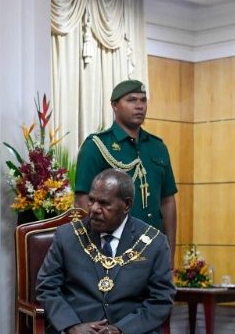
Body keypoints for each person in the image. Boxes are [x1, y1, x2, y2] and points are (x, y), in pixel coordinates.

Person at [37, 169, 175, 334]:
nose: (93, 209)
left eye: (104, 203)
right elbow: (47, 288)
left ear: (126, 205)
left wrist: (123, 331)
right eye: (92, 200)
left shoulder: (154, 242)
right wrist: (73, 326)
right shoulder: (67, 236)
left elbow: (161, 299)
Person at [74, 79, 178, 259]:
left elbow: (167, 201)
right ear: (114, 105)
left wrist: (170, 253)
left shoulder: (158, 147)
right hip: (113, 250)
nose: (140, 106)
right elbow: (83, 201)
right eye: (131, 100)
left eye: (143, 100)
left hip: (153, 247)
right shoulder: (97, 146)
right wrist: (96, 251)